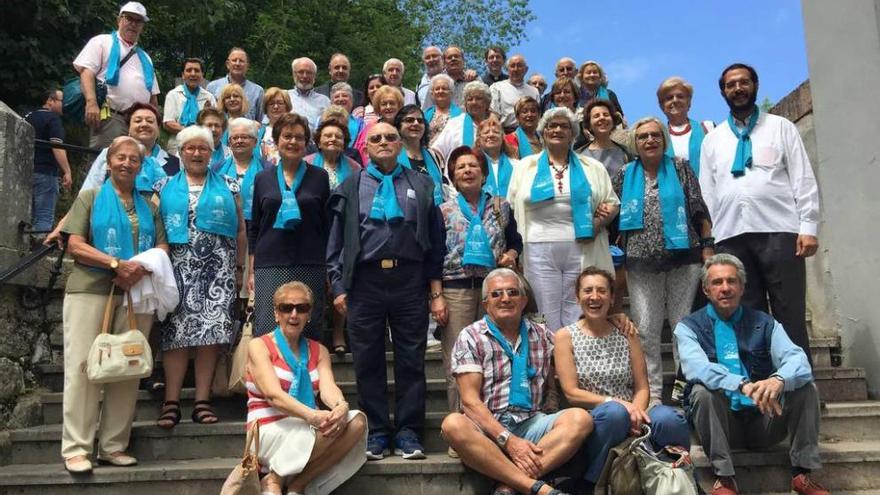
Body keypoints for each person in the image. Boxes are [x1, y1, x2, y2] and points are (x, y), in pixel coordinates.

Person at [326, 122, 446, 460]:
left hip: (409, 280)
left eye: (390, 137)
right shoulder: (351, 185)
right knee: (367, 361)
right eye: (376, 138)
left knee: (412, 359)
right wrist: (337, 286)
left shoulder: (421, 183)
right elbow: (335, 242)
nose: (383, 142)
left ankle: (409, 432)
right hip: (365, 282)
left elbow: (436, 241)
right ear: (365, 146)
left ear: (400, 144)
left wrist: (434, 289)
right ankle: (376, 432)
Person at [675, 254, 829, 495]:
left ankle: (802, 473)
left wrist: (779, 380)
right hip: (722, 426)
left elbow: (798, 360)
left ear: (742, 287)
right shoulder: (688, 327)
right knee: (701, 392)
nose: (725, 288)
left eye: (731, 281)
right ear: (706, 290)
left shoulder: (765, 323)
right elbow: (696, 368)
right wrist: (741, 384)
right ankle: (724, 478)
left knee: (805, 387)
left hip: (765, 418)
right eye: (717, 283)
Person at [60, 135, 168, 473]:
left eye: (133, 159)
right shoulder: (90, 197)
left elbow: (163, 247)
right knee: (82, 368)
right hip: (90, 290)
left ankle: (112, 445)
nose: (126, 163)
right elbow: (74, 244)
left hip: (135, 294)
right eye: (120, 157)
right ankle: (77, 447)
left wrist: (138, 268)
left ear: (141, 166)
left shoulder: (150, 205)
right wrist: (114, 265)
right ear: (109, 162)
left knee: (127, 368)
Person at [699, 63, 820, 363]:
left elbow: (802, 178)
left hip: (780, 231)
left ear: (755, 86)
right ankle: (760, 385)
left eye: (743, 83)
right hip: (732, 235)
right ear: (723, 92)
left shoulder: (781, 127)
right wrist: (712, 240)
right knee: (748, 316)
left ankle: (798, 386)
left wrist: (809, 226)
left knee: (789, 311)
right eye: (731, 85)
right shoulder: (713, 139)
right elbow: (707, 191)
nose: (738, 89)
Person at [441, 268, 591, 495]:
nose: (505, 298)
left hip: (531, 423)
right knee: (453, 424)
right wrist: (508, 441)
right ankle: (536, 487)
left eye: (512, 292)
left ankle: (508, 485)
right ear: (485, 304)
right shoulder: (470, 336)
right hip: (487, 429)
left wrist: (614, 318)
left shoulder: (541, 334)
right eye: (496, 294)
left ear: (524, 301)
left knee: (580, 419)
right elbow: (470, 402)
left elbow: (583, 340)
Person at [554, 267, 691, 492]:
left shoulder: (627, 331)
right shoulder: (565, 336)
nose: (595, 297)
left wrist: (635, 415)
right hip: (593, 415)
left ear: (612, 297)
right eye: (588, 291)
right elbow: (571, 392)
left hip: (634, 410)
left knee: (670, 419)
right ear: (577, 297)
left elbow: (642, 386)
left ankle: (679, 478)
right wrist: (617, 405)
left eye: (601, 291)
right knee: (614, 414)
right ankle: (591, 482)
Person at [611, 116, 713, 402]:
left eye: (655, 135)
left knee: (683, 327)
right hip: (640, 262)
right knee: (646, 330)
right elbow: (612, 216)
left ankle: (685, 392)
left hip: (684, 259)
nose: (649, 140)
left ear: (663, 140)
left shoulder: (680, 168)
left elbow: (698, 208)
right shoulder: (624, 174)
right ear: (635, 143)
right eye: (643, 136)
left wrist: (707, 245)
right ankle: (653, 393)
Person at [154, 126, 246, 429]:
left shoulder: (230, 185)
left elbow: (241, 230)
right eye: (190, 148)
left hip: (218, 272)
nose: (196, 153)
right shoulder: (163, 185)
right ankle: (171, 401)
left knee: (211, 337)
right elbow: (155, 228)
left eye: (202, 148)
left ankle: (202, 400)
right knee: (175, 337)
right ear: (181, 152)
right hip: (176, 270)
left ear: (211, 153)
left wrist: (241, 269)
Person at [246, 281, 367, 495]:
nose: (294, 314)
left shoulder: (318, 350)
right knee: (322, 429)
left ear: (309, 314)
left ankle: (295, 483)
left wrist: (340, 406)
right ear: (276, 313)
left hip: (304, 426)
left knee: (356, 422)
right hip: (267, 428)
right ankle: (274, 478)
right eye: (286, 308)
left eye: (301, 308)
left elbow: (328, 388)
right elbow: (274, 396)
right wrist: (313, 417)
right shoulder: (259, 345)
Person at [507, 107, 619, 333]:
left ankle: (572, 364)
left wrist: (598, 223)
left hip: (582, 246)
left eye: (564, 126)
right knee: (543, 313)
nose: (557, 129)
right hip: (537, 247)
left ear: (573, 133)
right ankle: (551, 364)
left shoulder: (593, 167)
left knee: (576, 310)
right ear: (543, 132)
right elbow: (511, 205)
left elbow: (612, 202)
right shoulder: (524, 166)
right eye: (552, 125)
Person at [438, 147, 522, 417]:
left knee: (495, 356)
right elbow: (432, 253)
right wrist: (436, 295)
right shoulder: (443, 211)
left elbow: (515, 241)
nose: (467, 171)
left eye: (473, 165)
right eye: (460, 167)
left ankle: (495, 422)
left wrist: (510, 253)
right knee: (458, 360)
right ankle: (461, 426)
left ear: (484, 173)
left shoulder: (500, 206)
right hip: (456, 290)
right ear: (453, 175)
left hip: (495, 292)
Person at [249, 113, 330, 341]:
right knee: (268, 327)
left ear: (307, 143)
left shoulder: (320, 177)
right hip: (270, 263)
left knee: (309, 328)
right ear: (277, 140)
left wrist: (329, 266)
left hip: (310, 261)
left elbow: (327, 224)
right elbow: (255, 224)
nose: (293, 142)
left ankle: (306, 376)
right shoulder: (262, 178)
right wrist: (253, 267)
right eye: (287, 136)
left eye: (299, 137)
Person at [73, 1, 160, 149]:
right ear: (119, 20)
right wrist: (91, 103)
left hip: (139, 123)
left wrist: (155, 122)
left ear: (142, 27)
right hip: (111, 116)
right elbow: (86, 72)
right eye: (129, 19)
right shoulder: (102, 42)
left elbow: (153, 95)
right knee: (104, 162)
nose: (133, 24)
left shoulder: (145, 57)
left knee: (138, 165)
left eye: (138, 21)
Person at [216, 118, 271, 300]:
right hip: (225, 234)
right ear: (229, 142)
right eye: (235, 137)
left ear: (255, 142)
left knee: (252, 289)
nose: (239, 140)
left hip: (257, 233)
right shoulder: (216, 169)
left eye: (245, 137)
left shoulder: (268, 168)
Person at [78, 103, 179, 194]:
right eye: (138, 121)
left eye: (150, 121)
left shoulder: (175, 164)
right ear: (128, 128)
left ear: (158, 130)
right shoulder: (109, 153)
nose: (144, 124)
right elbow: (89, 190)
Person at [26, 88, 72, 231]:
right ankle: (39, 250)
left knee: (26, 216)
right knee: (44, 216)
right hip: (45, 172)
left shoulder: (28, 116)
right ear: (50, 101)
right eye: (61, 101)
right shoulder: (52, 119)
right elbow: (56, 145)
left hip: (24, 172)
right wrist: (67, 171)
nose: (64, 104)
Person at [658, 76, 715, 176]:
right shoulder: (658, 136)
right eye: (669, 98)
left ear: (689, 103)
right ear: (662, 106)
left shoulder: (707, 128)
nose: (675, 100)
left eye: (680, 96)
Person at [394, 104, 447, 204]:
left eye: (420, 121)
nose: (416, 123)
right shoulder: (392, 156)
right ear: (398, 126)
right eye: (409, 120)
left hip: (435, 213)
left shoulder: (434, 155)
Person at [162, 57, 216, 155]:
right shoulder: (173, 95)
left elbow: (214, 123)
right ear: (183, 75)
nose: (193, 74)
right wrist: (192, 132)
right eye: (188, 70)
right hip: (176, 147)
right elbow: (168, 123)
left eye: (197, 71)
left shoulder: (209, 97)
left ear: (202, 75)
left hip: (203, 147)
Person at [431, 80, 493, 162]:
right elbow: (437, 151)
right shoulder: (454, 123)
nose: (474, 102)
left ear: (487, 103)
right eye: (470, 99)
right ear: (465, 104)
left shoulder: (494, 125)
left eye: (478, 99)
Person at [577, 99, 633, 178]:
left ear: (613, 121)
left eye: (606, 115)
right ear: (589, 124)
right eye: (596, 116)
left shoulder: (626, 153)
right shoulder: (579, 155)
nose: (602, 118)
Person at [206, 47, 265, 122]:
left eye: (241, 61)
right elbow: (206, 117)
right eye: (234, 60)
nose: (237, 64)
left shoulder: (258, 91)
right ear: (227, 64)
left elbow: (260, 120)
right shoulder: (212, 87)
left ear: (247, 66)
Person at [353, 85, 404, 164]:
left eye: (392, 103)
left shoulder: (405, 127)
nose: (388, 107)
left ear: (399, 105)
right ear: (378, 107)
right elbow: (362, 154)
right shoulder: (370, 128)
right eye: (384, 104)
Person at [490, 55, 540, 131]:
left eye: (519, 66)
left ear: (526, 69)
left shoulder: (534, 91)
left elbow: (537, 116)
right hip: (505, 132)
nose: (516, 69)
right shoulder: (497, 87)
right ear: (507, 69)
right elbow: (493, 115)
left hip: (528, 134)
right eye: (512, 66)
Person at [476, 114, 520, 198]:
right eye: (486, 132)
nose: (491, 135)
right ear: (479, 140)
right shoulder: (473, 166)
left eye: (496, 132)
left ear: (502, 138)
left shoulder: (516, 165)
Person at [289, 57, 330, 132]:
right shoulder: (284, 97)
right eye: (301, 72)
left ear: (314, 76)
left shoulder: (325, 101)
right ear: (294, 74)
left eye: (309, 72)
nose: (305, 76)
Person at [425, 73, 463, 145]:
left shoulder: (460, 114)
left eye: (444, 88)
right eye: (437, 89)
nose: (440, 91)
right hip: (428, 153)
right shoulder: (425, 113)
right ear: (432, 93)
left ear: (451, 92)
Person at [260, 87, 293, 166]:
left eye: (280, 103)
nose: (275, 107)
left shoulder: (295, 130)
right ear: (266, 108)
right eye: (271, 103)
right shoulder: (259, 133)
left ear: (287, 106)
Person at [329, 82, 365, 154]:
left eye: (344, 95)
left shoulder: (360, 124)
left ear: (351, 100)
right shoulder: (321, 120)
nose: (341, 99)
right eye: (336, 97)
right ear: (331, 102)